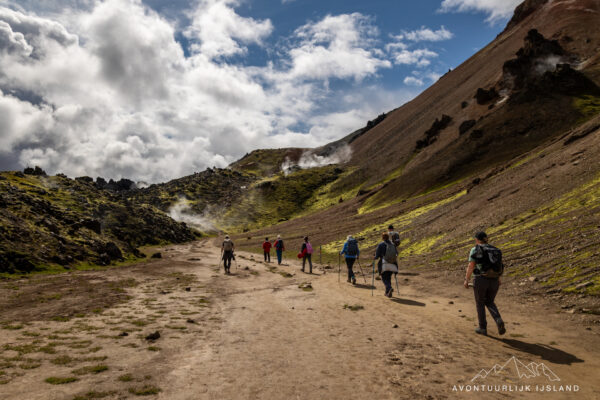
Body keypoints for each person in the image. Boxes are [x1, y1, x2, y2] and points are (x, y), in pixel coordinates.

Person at [464, 231, 506, 336]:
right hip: (495, 279)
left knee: (480, 302)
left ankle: (482, 327)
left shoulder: (475, 249)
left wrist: (466, 279)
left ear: (477, 239)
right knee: (490, 301)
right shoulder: (494, 249)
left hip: (480, 279)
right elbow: (499, 265)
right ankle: (498, 319)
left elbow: (471, 266)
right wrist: (499, 278)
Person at [374, 232, 398, 297]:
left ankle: (389, 288)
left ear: (382, 238)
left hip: (384, 263)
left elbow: (377, 255)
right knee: (388, 277)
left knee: (384, 277)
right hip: (392, 263)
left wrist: (375, 257)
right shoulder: (393, 244)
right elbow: (396, 253)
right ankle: (387, 293)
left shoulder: (381, 244)